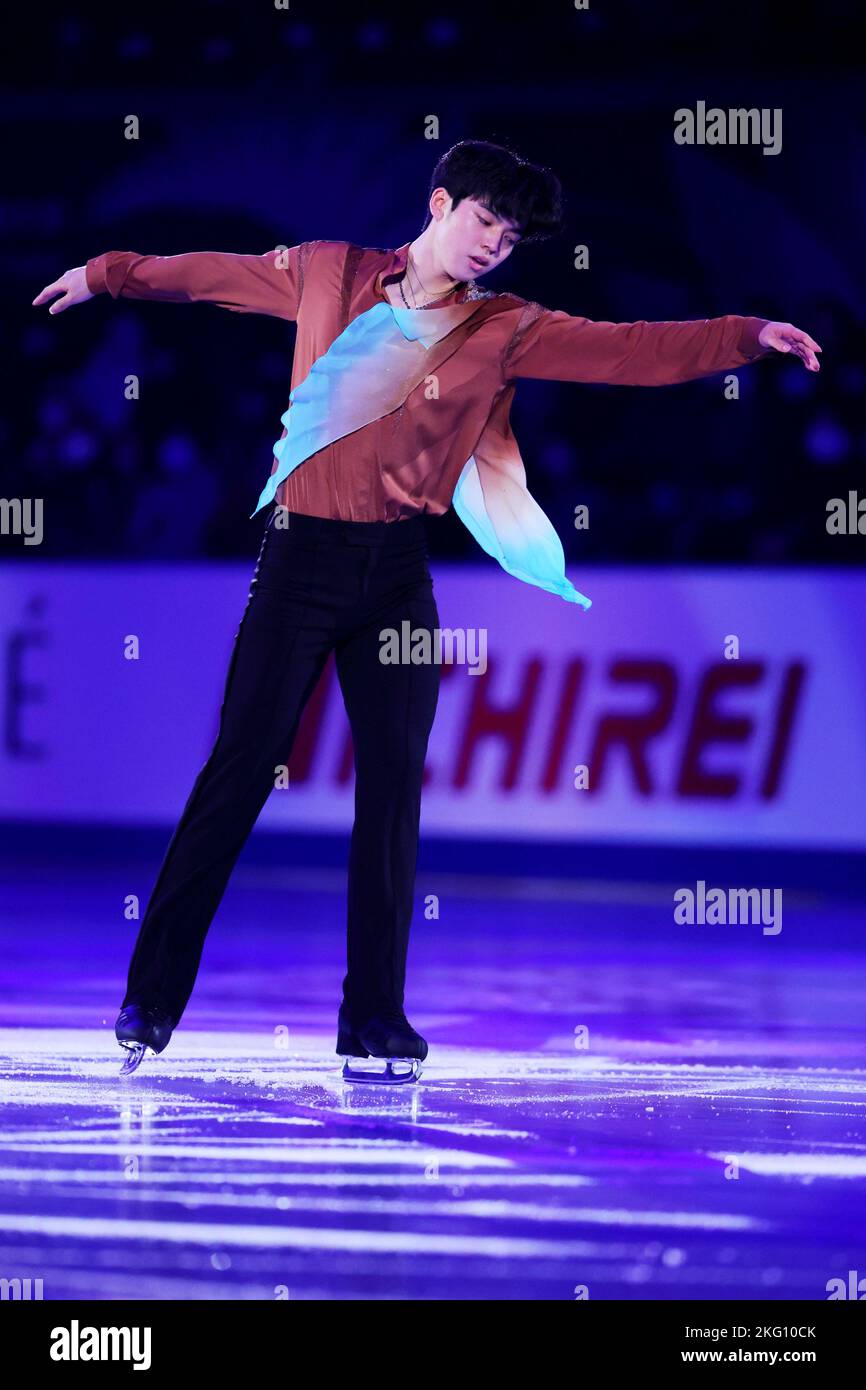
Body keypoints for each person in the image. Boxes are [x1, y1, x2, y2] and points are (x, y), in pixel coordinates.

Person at [32, 139, 821, 1084]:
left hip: (398, 576)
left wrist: (745, 335)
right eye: (487, 220)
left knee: (394, 793)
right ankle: (151, 1000)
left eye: (513, 235)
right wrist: (106, 273)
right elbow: (210, 276)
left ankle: (373, 1020)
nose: (497, 244)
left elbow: (631, 351)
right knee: (238, 773)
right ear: (441, 203)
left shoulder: (507, 326)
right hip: (299, 563)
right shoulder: (326, 274)